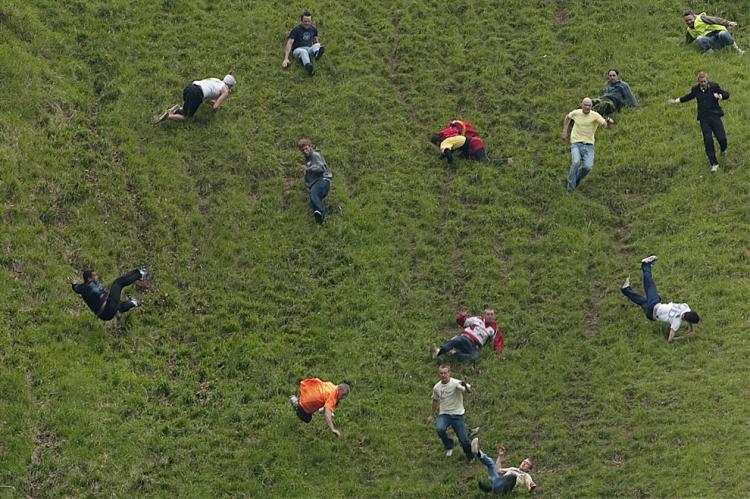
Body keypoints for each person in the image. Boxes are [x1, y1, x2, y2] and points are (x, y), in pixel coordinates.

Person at [621, 255, 700, 343]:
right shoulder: (676, 322)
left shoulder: (685, 306)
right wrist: (684, 336)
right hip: (651, 315)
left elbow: (687, 317)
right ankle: (626, 289)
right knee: (641, 301)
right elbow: (670, 340)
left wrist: (690, 330)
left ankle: (645, 264)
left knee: (650, 285)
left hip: (655, 305)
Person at [669, 72, 730, 172]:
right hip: (704, 118)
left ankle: (723, 149)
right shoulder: (695, 89)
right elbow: (688, 97)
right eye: (701, 82)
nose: (703, 83)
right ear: (699, 82)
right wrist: (676, 101)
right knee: (708, 140)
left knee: (721, 137)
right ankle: (714, 163)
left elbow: (726, 94)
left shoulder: (714, 86)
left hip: (714, 115)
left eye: (704, 81)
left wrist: (719, 96)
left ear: (707, 80)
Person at [562, 97, 613, 192]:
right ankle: (570, 187)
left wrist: (609, 123)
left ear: (591, 106)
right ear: (582, 105)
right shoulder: (576, 113)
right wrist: (565, 131)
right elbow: (568, 117)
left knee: (588, 167)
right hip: (576, 143)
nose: (587, 107)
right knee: (576, 162)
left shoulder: (595, 115)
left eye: (589, 105)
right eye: (585, 105)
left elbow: (605, 125)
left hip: (589, 145)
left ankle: (575, 178)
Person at [427, 365, 475, 462]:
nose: (443, 375)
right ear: (438, 374)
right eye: (441, 373)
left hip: (457, 414)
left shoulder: (456, 383)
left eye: (445, 373)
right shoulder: (437, 387)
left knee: (463, 440)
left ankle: (470, 456)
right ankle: (449, 445)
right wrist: (432, 415)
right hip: (444, 414)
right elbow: (435, 401)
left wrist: (465, 385)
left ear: (449, 373)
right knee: (440, 429)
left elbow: (468, 391)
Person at [68, 267, 148, 321]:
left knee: (117, 305)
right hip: (107, 307)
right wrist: (106, 294)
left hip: (105, 316)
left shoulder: (82, 288)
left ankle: (134, 303)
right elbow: (96, 291)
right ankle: (141, 273)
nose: (97, 277)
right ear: (89, 279)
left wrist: (74, 284)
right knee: (118, 283)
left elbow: (76, 288)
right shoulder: (90, 286)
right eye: (94, 276)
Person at [156, 75, 236, 123]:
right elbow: (215, 107)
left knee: (188, 107)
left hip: (190, 87)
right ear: (230, 86)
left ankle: (177, 109)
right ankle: (168, 116)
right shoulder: (225, 90)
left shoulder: (216, 80)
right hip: (196, 93)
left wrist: (213, 101)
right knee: (186, 117)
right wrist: (215, 111)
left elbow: (209, 90)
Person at [433, 308, 505, 361]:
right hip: (465, 338)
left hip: (475, 346)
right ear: (484, 315)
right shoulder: (477, 319)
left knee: (474, 357)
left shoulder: (494, 329)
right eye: (488, 314)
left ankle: (452, 355)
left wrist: (500, 353)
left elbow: (498, 342)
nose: (490, 316)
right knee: (457, 340)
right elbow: (463, 322)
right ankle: (439, 351)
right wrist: (462, 316)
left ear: (494, 316)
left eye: (492, 314)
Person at [470, 438, 536, 494]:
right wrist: (500, 456)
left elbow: (530, 485)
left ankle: (490, 488)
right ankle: (478, 452)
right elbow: (498, 470)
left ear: (528, 469)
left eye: (527, 464)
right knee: (491, 463)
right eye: (524, 461)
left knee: (512, 477)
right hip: (498, 480)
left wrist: (531, 488)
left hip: (506, 488)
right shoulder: (512, 468)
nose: (524, 463)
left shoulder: (526, 475)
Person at [431, 121, 512, 164]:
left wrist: (450, 164)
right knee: (467, 157)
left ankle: (508, 161)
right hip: (473, 142)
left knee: (484, 161)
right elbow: (449, 150)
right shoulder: (450, 138)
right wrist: (441, 158)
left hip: (473, 144)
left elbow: (448, 153)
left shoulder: (443, 144)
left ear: (437, 143)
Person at [298, 138, 333, 224]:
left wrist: (309, 169)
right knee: (313, 202)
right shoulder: (307, 161)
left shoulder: (315, 155)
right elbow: (308, 180)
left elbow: (321, 169)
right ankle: (322, 221)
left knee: (314, 194)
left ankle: (321, 213)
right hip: (315, 184)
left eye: (306, 148)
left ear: (310, 146)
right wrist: (305, 173)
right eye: (303, 150)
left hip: (323, 180)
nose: (305, 151)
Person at [282, 11, 325, 76]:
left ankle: (317, 54)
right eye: (305, 21)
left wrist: (317, 46)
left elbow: (315, 39)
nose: (307, 23)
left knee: (318, 45)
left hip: (309, 49)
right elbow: (290, 42)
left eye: (309, 21)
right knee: (303, 52)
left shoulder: (313, 29)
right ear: (301, 21)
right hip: (298, 50)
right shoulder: (296, 29)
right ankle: (309, 68)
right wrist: (286, 58)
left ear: (311, 21)